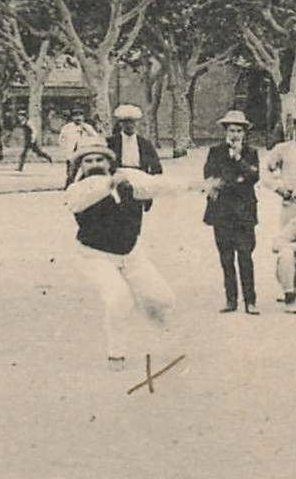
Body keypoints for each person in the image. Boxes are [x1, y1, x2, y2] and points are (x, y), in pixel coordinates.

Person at [63, 143, 180, 367]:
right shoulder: (76, 188)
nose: (95, 164)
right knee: (118, 298)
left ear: (109, 162)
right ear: (81, 166)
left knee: (163, 298)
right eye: (88, 161)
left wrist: (194, 185)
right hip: (95, 255)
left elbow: (155, 185)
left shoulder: (127, 178)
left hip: (131, 254)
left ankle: (167, 339)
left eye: (100, 160)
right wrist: (109, 183)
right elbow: (79, 204)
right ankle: (116, 353)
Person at [203, 110, 261, 315]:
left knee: (245, 256)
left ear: (245, 132)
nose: (235, 134)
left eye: (239, 130)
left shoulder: (250, 153)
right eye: (231, 130)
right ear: (225, 131)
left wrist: (237, 160)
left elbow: (254, 177)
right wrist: (236, 180)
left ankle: (250, 300)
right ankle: (231, 300)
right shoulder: (215, 151)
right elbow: (210, 175)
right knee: (226, 258)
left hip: (244, 213)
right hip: (222, 212)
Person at [59, 107, 99, 186]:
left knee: (85, 171)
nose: (78, 118)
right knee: (71, 172)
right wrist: (65, 150)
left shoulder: (88, 127)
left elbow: (95, 137)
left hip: (83, 152)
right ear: (72, 118)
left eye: (80, 116)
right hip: (71, 153)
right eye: (75, 116)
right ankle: (69, 186)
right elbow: (61, 140)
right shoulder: (67, 128)